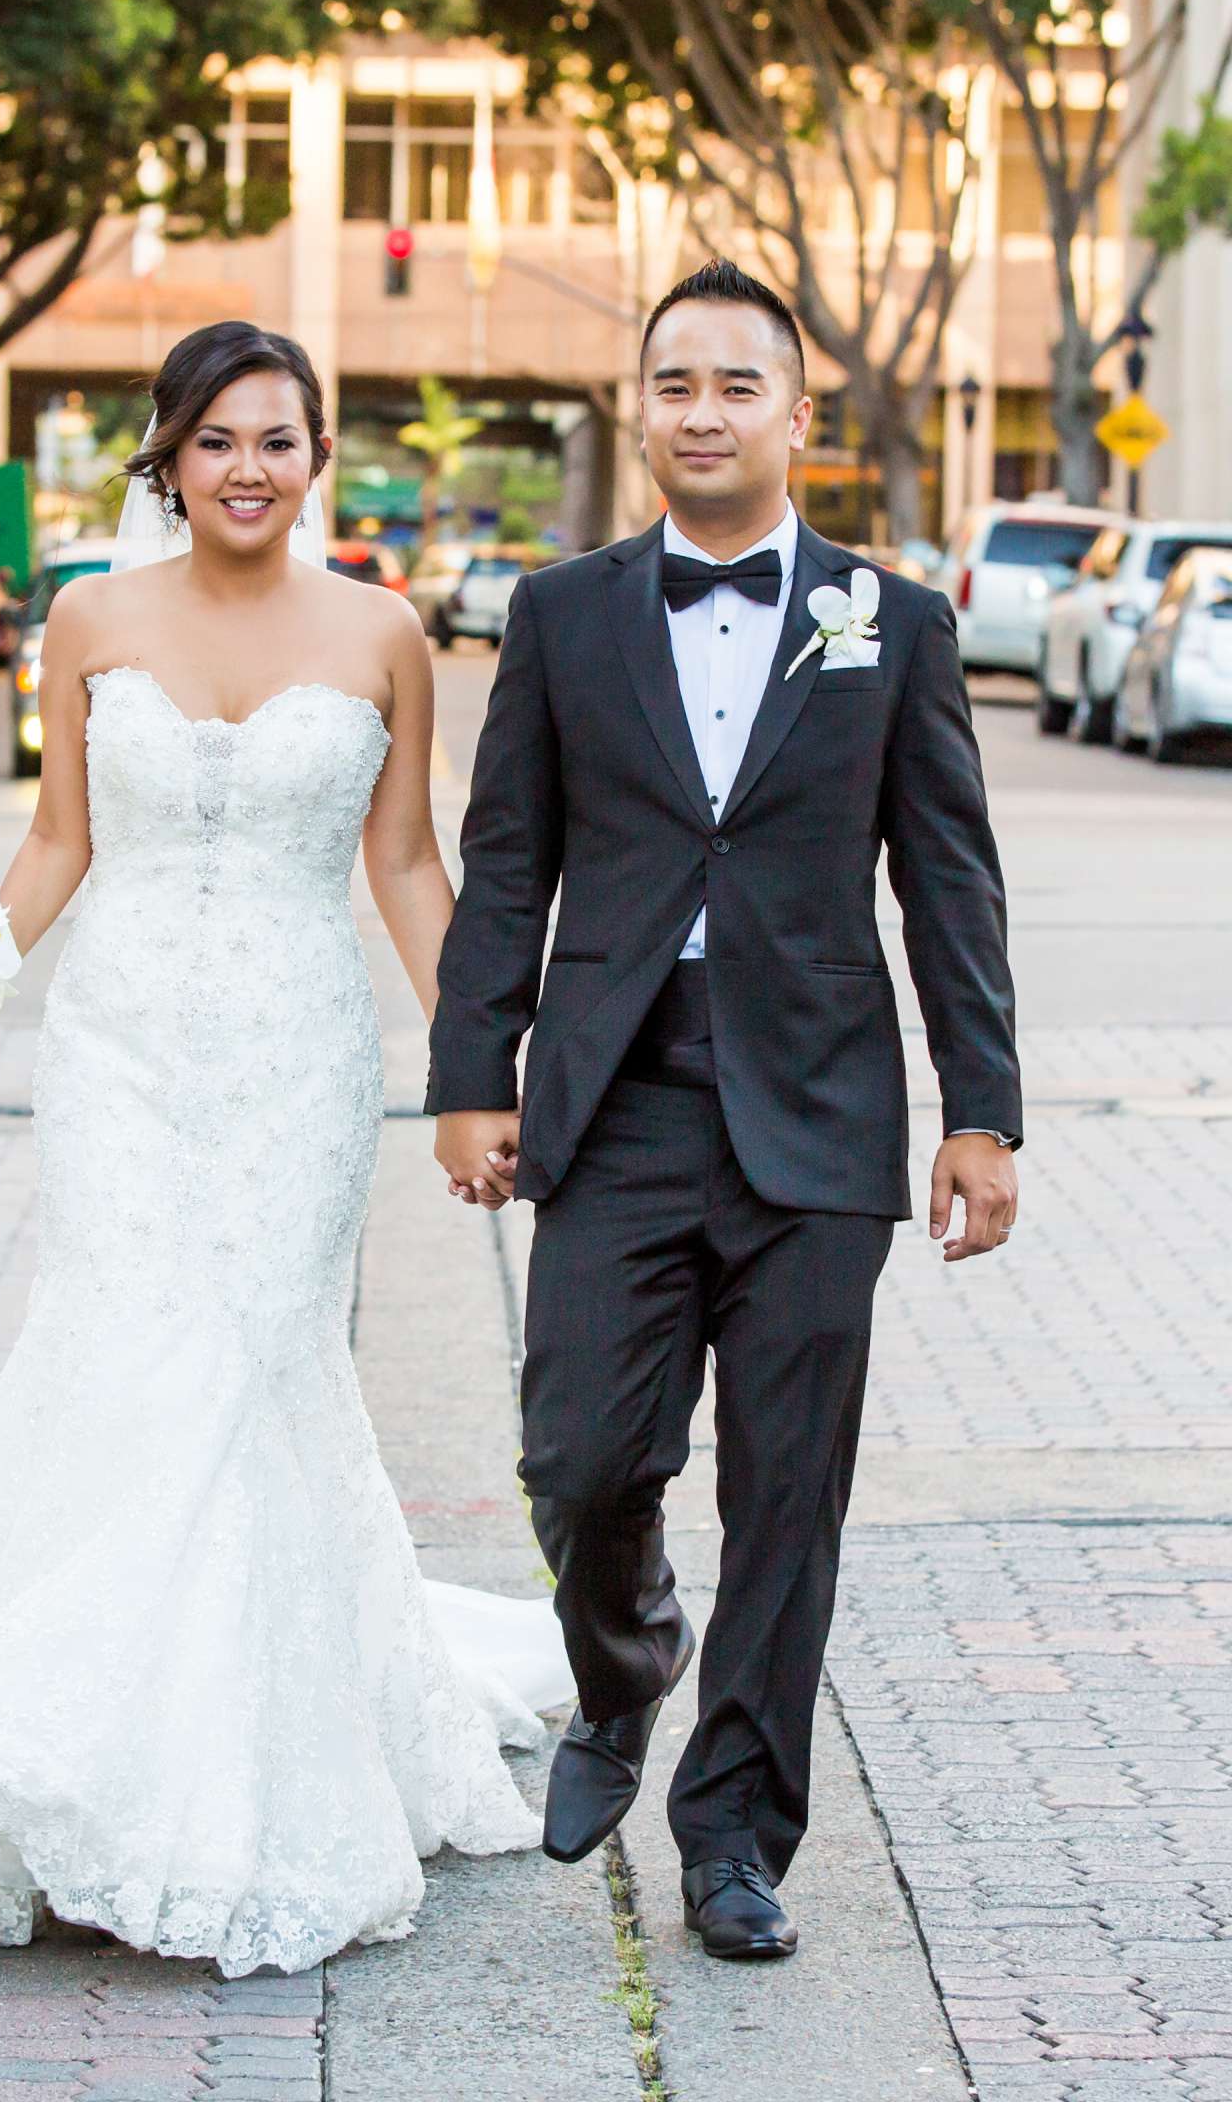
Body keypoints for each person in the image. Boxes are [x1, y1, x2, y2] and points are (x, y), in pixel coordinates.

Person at [0, 322, 570, 1979]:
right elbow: (58, 843)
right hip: (121, 1054)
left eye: (279, 440)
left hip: (295, 1058)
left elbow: (410, 869)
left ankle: (216, 1776)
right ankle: (78, 1753)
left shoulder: (381, 632)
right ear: (168, 452)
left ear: (317, 457)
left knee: (249, 1363)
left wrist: (485, 1065)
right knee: (122, 1353)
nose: (247, 470)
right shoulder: (88, 617)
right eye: (216, 440)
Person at [429, 258, 1021, 1962]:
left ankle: (735, 1836)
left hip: (822, 1117)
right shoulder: (561, 613)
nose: (702, 411)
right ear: (643, 409)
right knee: (579, 1454)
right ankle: (625, 1661)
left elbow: (950, 880)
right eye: (673, 383)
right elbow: (509, 864)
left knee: (790, 1492)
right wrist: (476, 1073)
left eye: (735, 385)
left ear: (797, 417)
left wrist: (983, 1109)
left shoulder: (891, 623)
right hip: (613, 1106)